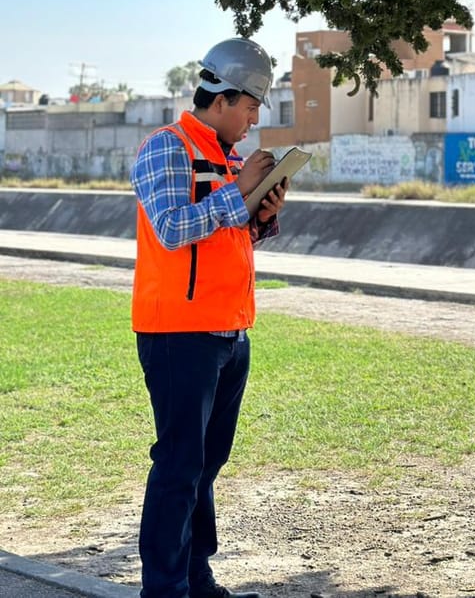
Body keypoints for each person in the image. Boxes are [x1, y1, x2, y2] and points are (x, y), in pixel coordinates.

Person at [130, 37, 287, 598]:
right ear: (222, 98)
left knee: (206, 464)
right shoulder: (165, 148)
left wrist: (260, 215)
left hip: (228, 331)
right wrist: (237, 192)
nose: (253, 120)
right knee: (178, 465)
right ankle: (165, 589)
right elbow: (173, 228)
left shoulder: (231, 158)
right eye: (251, 107)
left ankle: (196, 578)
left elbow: (226, 236)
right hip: (178, 333)